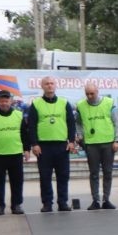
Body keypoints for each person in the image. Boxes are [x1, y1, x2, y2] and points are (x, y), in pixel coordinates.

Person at [25, 75, 78, 212]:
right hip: (43, 147)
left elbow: (71, 123)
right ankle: (47, 203)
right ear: (42, 86)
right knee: (45, 176)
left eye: (52, 83)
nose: (49, 86)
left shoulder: (64, 102)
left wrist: (71, 141)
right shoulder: (36, 104)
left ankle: (63, 203)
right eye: (47, 84)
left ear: (55, 86)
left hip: (62, 145)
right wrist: (34, 144)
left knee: (63, 176)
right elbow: (31, 125)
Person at [0, 90, 30, 215]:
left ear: (11, 101)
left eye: (6, 100)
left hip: (15, 153)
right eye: (1, 100)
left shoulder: (19, 115)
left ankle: (16, 205)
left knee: (17, 181)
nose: (4, 103)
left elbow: (24, 134)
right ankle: (0, 205)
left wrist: (26, 149)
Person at [76, 82, 118, 209]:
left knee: (108, 172)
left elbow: (117, 122)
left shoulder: (109, 103)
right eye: (87, 94)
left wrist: (117, 140)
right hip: (91, 144)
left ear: (97, 91)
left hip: (108, 143)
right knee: (93, 173)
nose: (90, 96)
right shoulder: (80, 105)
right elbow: (78, 123)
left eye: (92, 93)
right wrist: (80, 135)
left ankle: (106, 200)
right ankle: (95, 200)